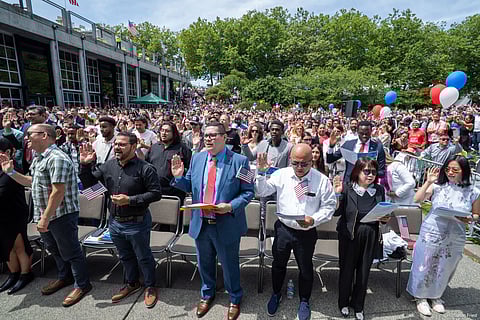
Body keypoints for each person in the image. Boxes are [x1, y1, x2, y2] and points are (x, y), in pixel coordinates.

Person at [170, 121, 254, 320]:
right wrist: (179, 178)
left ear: (224, 138)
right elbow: (189, 184)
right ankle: (207, 295)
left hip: (226, 223)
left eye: (213, 135)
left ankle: (234, 297)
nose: (208, 138)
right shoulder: (198, 158)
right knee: (204, 263)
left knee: (229, 264)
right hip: (202, 224)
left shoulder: (241, 161)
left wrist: (231, 206)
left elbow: (249, 192)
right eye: (206, 135)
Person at [1, 124, 91, 306]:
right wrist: (10, 172)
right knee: (55, 249)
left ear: (44, 135)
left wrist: (45, 218)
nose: (26, 138)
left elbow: (58, 192)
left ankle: (82, 284)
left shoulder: (57, 158)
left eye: (30, 135)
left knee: (71, 251)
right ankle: (64, 277)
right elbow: (32, 182)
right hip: (46, 215)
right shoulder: (39, 158)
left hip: (60, 215)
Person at [79, 132, 162, 309]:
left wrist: (130, 200)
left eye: (122, 144)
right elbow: (90, 186)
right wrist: (85, 166)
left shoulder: (145, 168)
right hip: (115, 222)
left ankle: (150, 286)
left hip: (137, 222)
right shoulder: (108, 166)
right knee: (124, 256)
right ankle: (132, 283)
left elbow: (156, 194)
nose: (117, 147)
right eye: (116, 144)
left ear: (133, 147)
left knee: (144, 257)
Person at [255, 144, 337, 320]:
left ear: (312, 161)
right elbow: (262, 191)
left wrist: (314, 219)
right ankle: (276, 293)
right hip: (284, 228)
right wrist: (261, 174)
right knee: (278, 264)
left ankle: (304, 299)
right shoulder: (282, 174)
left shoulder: (321, 180)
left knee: (305, 268)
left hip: (306, 231)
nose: (299, 168)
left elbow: (330, 205)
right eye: (295, 163)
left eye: (304, 164)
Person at [407, 155, 480, 316]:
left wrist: (469, 218)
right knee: (424, 264)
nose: (450, 173)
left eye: (455, 169)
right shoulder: (438, 186)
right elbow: (417, 199)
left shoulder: (474, 191)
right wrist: (428, 181)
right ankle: (420, 297)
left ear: (464, 171)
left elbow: (476, 214)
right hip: (432, 231)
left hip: (455, 234)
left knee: (445, 266)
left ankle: (436, 296)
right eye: (448, 169)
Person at [333, 158, 388, 320]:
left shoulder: (379, 190)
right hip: (350, 234)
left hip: (370, 234)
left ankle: (358, 305)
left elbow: (381, 211)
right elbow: (336, 213)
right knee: (347, 270)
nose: (370, 175)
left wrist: (385, 218)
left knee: (364, 272)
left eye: (373, 171)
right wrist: (337, 194)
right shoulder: (348, 189)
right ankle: (343, 303)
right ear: (357, 172)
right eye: (366, 171)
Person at [0, 138, 34, 294]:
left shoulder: (13, 169)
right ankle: (13, 274)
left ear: (6, 152)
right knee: (6, 246)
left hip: (14, 212)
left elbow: (3, 191)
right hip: (2, 215)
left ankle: (25, 274)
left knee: (19, 245)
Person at [145, 122, 191, 202]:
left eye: (167, 131)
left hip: (174, 193)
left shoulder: (182, 148)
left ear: (174, 133)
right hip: (155, 191)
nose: (164, 133)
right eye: (162, 130)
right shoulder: (154, 148)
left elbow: (190, 168)